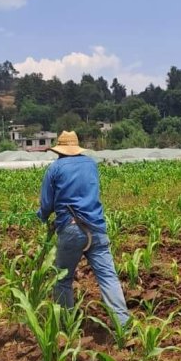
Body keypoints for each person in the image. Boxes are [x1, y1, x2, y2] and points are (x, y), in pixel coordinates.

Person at [37, 130, 130, 325]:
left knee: (63, 279)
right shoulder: (91, 164)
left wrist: (42, 216)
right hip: (96, 228)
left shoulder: (55, 169)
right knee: (108, 277)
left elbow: (47, 204)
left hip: (71, 229)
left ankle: (66, 325)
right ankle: (123, 325)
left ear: (59, 150)